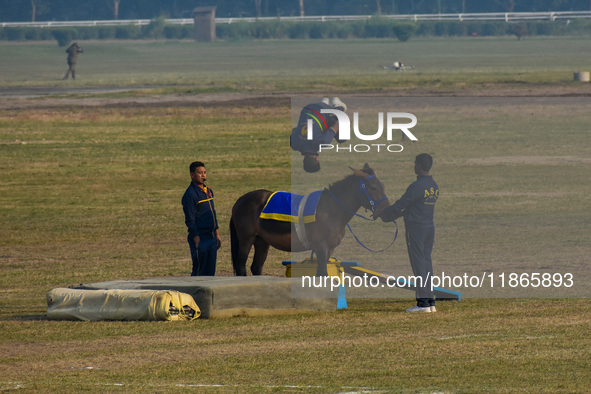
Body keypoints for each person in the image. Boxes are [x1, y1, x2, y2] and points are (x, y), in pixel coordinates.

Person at [381, 153, 439, 313]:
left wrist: (385, 213)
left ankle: (423, 304)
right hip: (429, 228)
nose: (414, 166)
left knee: (418, 264)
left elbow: (401, 204)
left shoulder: (417, 186)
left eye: (415, 163)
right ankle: (430, 302)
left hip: (416, 230)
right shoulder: (434, 185)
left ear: (420, 165)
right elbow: (415, 207)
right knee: (426, 263)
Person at [182, 161, 222, 276]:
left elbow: (213, 213)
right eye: (200, 173)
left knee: (210, 271)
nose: (203, 175)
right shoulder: (190, 195)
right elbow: (190, 219)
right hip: (201, 238)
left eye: (204, 172)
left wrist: (217, 234)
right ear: (192, 175)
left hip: (212, 237)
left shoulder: (208, 191)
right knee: (200, 270)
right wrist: (196, 239)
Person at [290, 97, 347, 173]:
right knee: (321, 128)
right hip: (306, 109)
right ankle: (324, 102)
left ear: (316, 159)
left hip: (322, 109)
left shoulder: (322, 142)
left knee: (342, 138)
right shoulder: (294, 145)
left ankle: (338, 106)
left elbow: (338, 124)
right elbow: (294, 130)